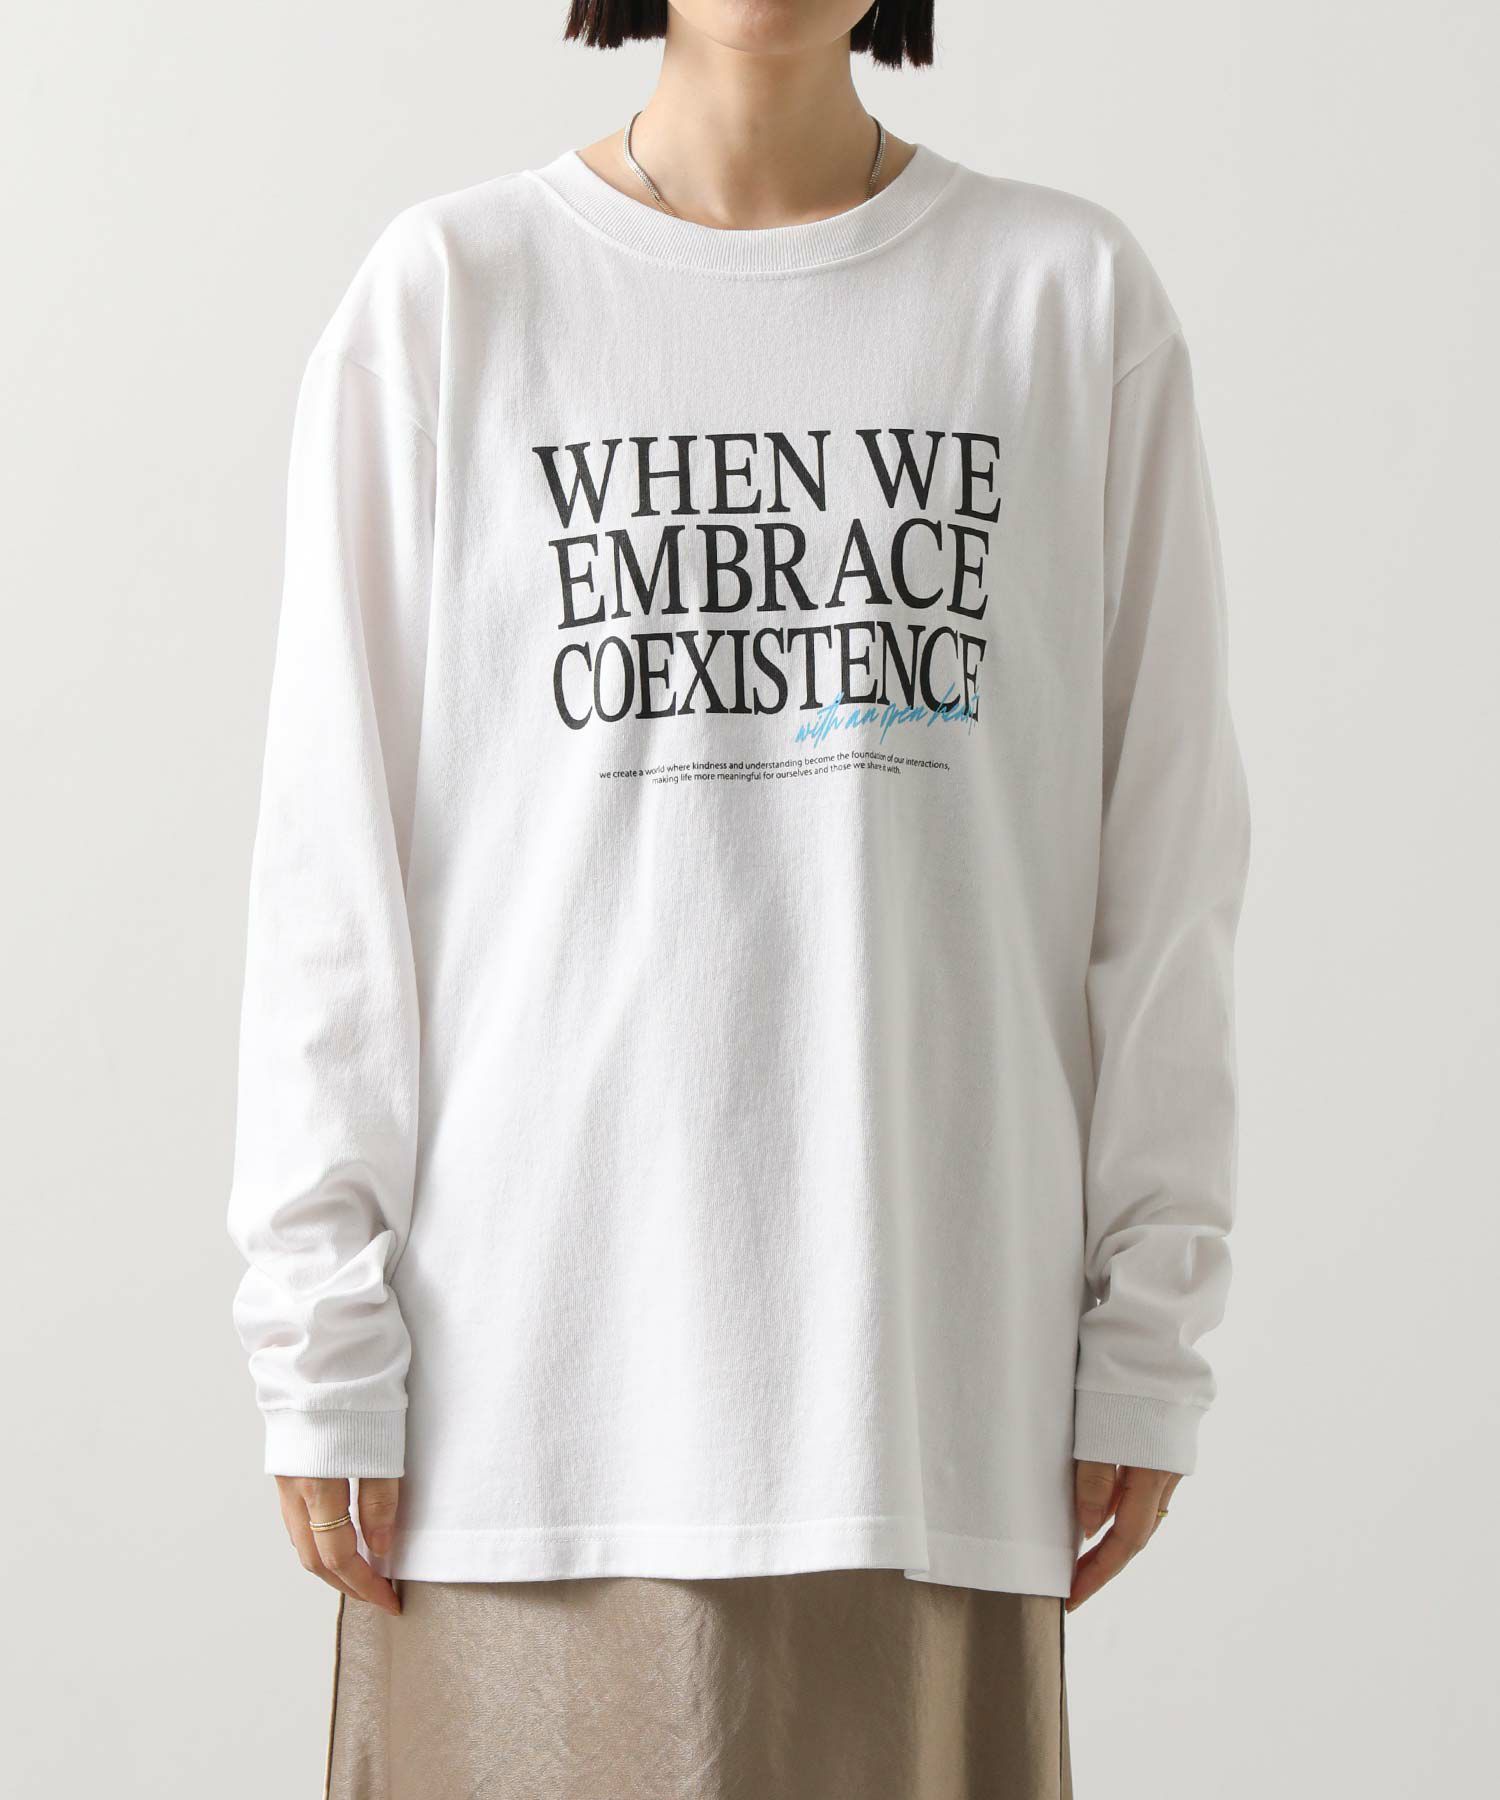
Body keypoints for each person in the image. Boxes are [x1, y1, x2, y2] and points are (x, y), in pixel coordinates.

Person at [227, 3, 1251, 1794]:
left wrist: (1149, 1324)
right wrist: (319, 1328)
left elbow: (1165, 864)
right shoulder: (452, 298)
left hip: (917, 1400)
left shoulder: (1064, 304)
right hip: (524, 1418)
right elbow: (334, 863)